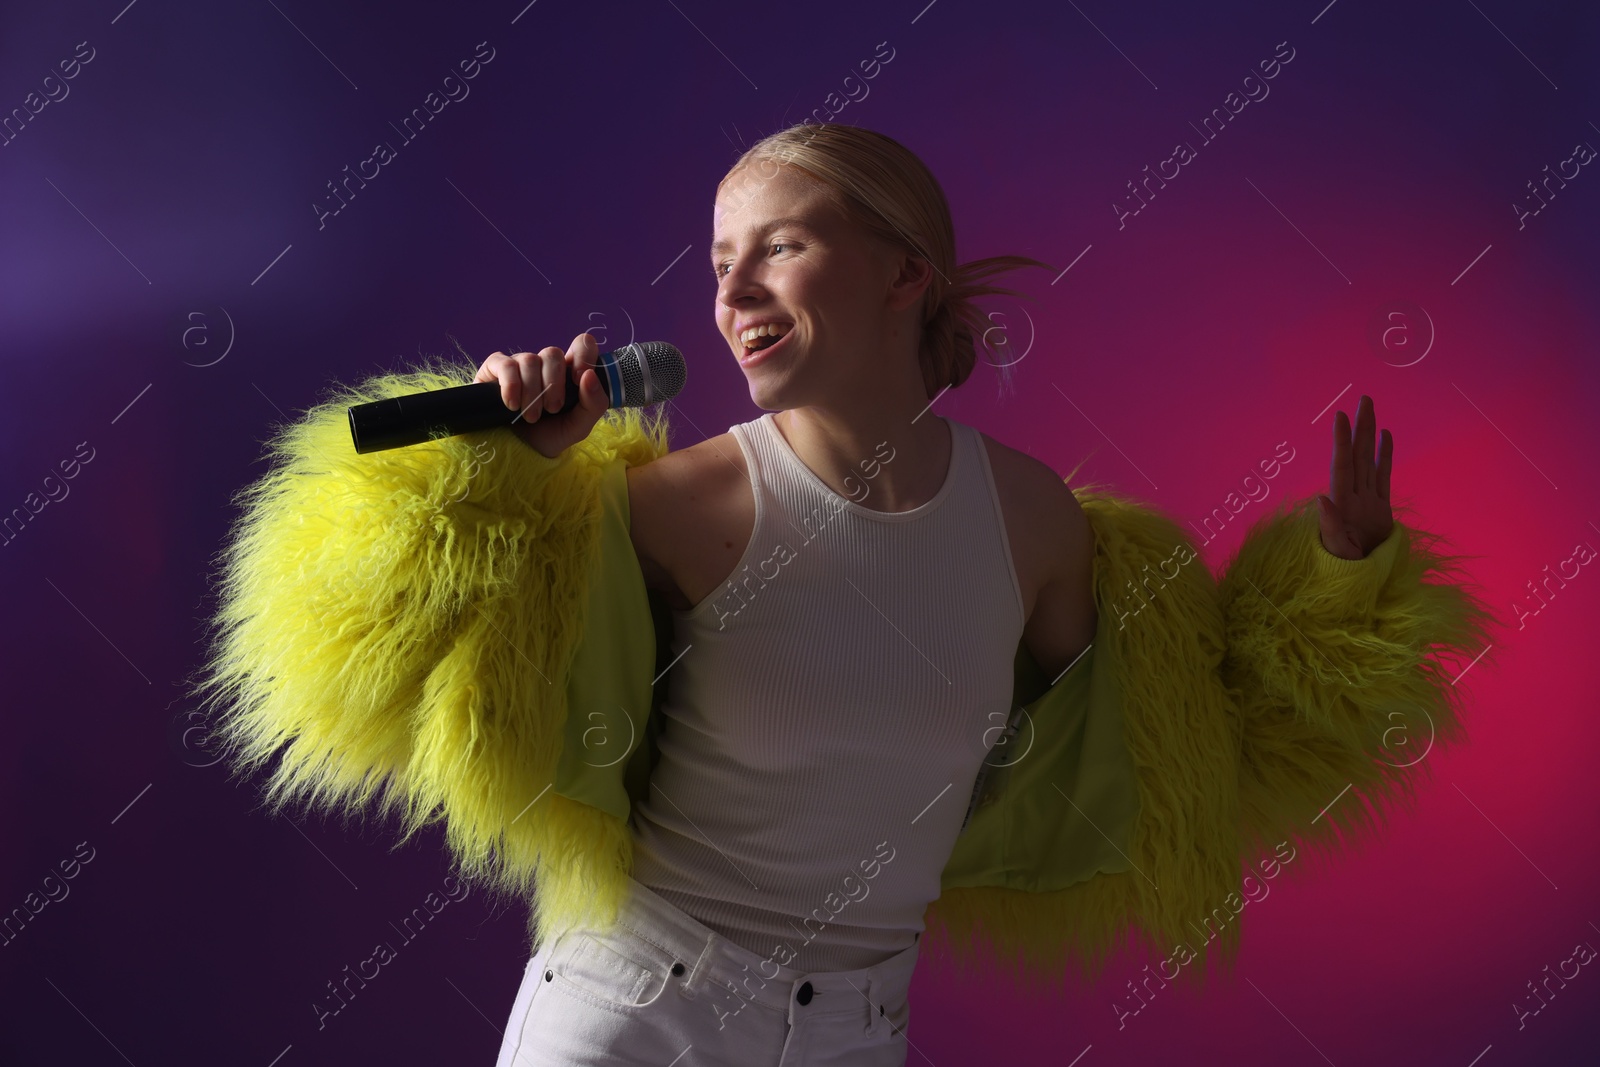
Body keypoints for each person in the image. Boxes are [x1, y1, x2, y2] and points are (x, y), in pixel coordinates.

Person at [190, 123, 1495, 1067]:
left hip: (855, 1034)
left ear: (903, 272)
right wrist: (487, 472)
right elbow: (379, 656)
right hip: (630, 1017)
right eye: (718, 264)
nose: (734, 293)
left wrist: (1341, 579)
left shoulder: (1036, 526)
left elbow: (1201, 748)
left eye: (781, 247)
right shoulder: (669, 506)